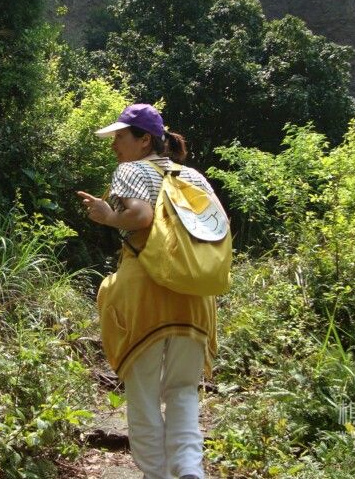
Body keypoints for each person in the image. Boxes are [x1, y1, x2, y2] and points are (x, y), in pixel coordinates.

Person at [77, 103, 223, 479]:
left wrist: (108, 216)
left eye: (120, 137)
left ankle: (157, 474)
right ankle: (189, 469)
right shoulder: (192, 176)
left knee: (142, 392)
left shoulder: (132, 169)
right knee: (183, 390)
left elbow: (141, 216)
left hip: (146, 295)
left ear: (144, 140)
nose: (114, 145)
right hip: (194, 296)